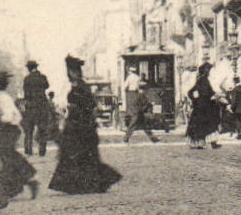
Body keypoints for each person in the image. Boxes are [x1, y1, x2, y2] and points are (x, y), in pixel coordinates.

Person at [49, 55, 122, 195]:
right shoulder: (79, 86)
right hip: (78, 124)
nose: (69, 75)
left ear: (75, 72)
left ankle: (85, 184)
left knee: (79, 155)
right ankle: (84, 184)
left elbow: (89, 105)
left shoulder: (81, 86)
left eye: (70, 72)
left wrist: (75, 110)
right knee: (79, 155)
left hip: (81, 125)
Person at [0, 71, 38, 201]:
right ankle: (27, 180)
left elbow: (8, 116)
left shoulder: (2, 99)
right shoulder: (1, 98)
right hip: (5, 130)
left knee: (5, 157)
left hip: (5, 130)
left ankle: (22, 182)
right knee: (8, 156)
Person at [185, 62, 224, 149]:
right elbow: (207, 93)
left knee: (203, 125)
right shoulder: (203, 80)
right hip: (205, 107)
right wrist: (215, 96)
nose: (209, 72)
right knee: (209, 124)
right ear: (206, 71)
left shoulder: (201, 80)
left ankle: (202, 143)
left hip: (202, 106)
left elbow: (190, 92)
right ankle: (209, 143)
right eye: (209, 70)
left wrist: (195, 100)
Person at [20, 61, 51, 157]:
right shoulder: (42, 77)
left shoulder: (27, 79)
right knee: (42, 129)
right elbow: (47, 86)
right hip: (42, 106)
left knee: (29, 129)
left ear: (29, 68)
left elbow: (25, 93)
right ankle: (42, 150)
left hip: (31, 106)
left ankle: (28, 149)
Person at [122, 68, 159, 144]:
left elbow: (125, 87)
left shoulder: (129, 78)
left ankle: (153, 139)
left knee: (141, 122)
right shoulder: (137, 78)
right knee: (136, 120)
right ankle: (126, 138)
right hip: (136, 101)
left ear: (129, 71)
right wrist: (149, 104)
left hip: (132, 98)